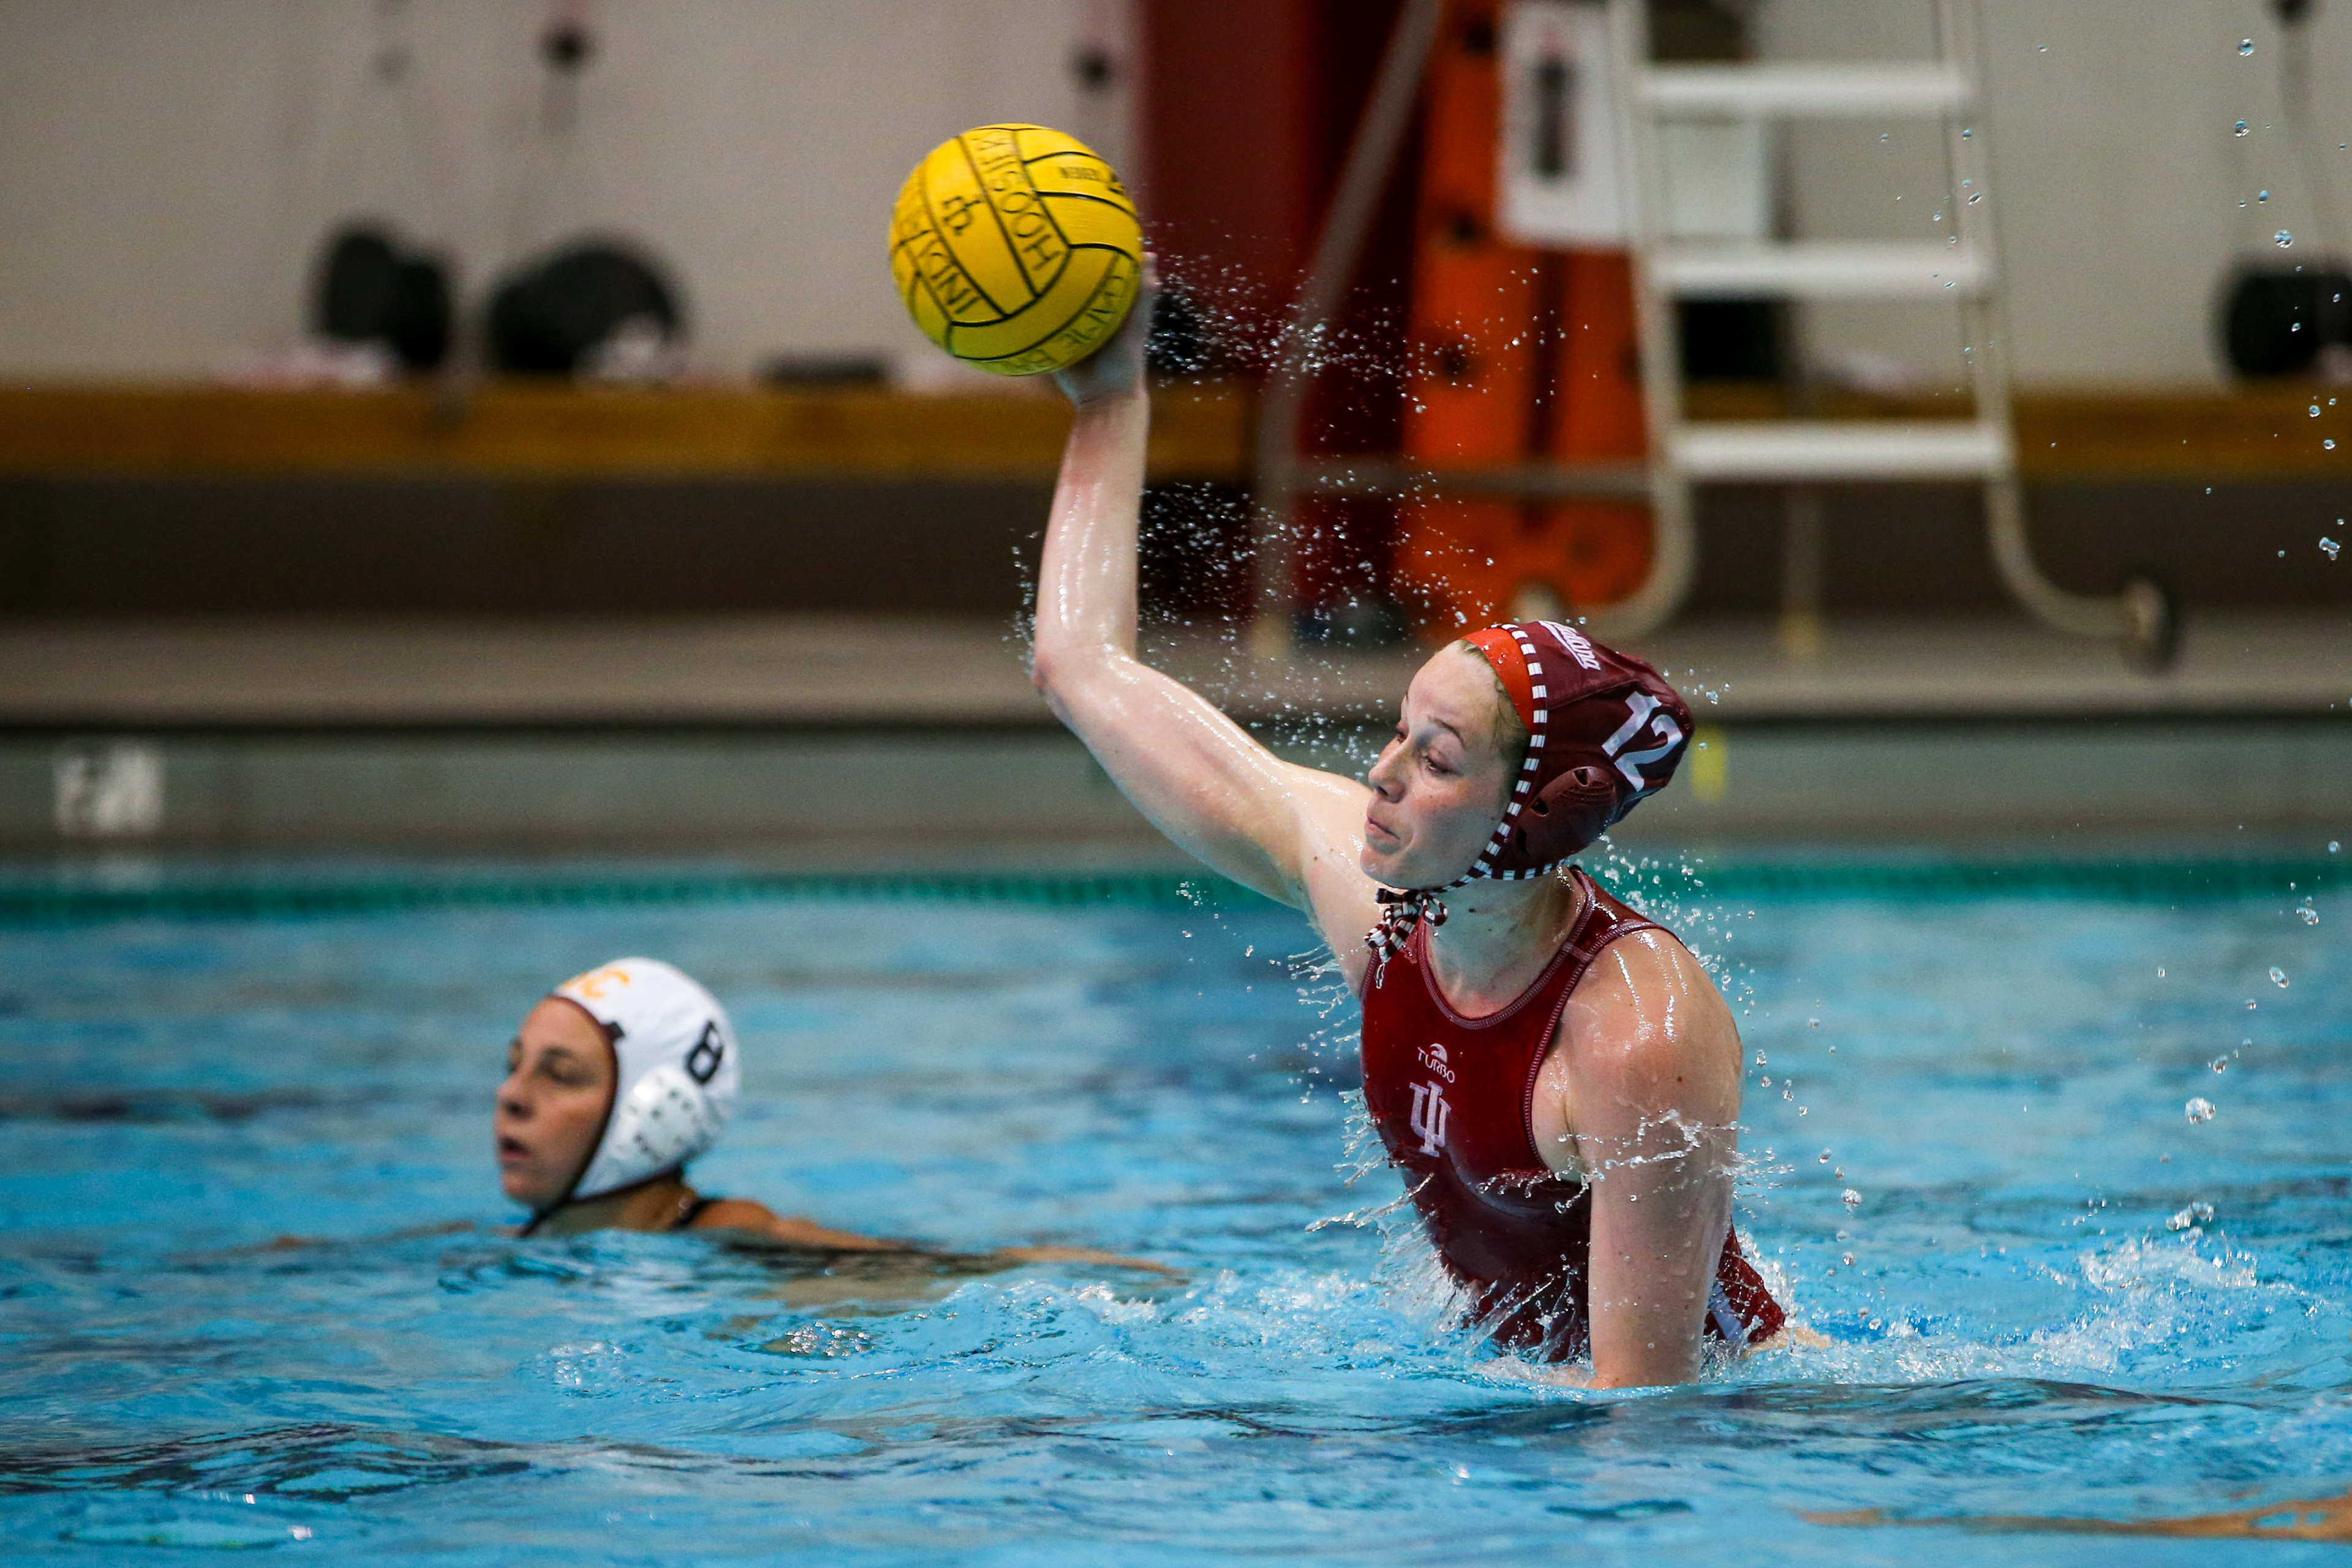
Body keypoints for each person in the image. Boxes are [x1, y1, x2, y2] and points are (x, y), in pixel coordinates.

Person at [1027, 267, 1786, 1387]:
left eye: (1434, 759)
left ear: (1530, 819)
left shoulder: (1637, 1037)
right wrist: (1111, 392)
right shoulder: (1387, 914)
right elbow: (1081, 669)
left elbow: (1649, 1424)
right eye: (1398, 733)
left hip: (1742, 1424)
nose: (1377, 776)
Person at [499, 956, 1161, 1275]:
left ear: (657, 1107)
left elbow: (954, 1271)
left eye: (561, 1074)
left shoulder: (735, 1239)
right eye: (515, 1063)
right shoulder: (512, 1243)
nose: (513, 1095)